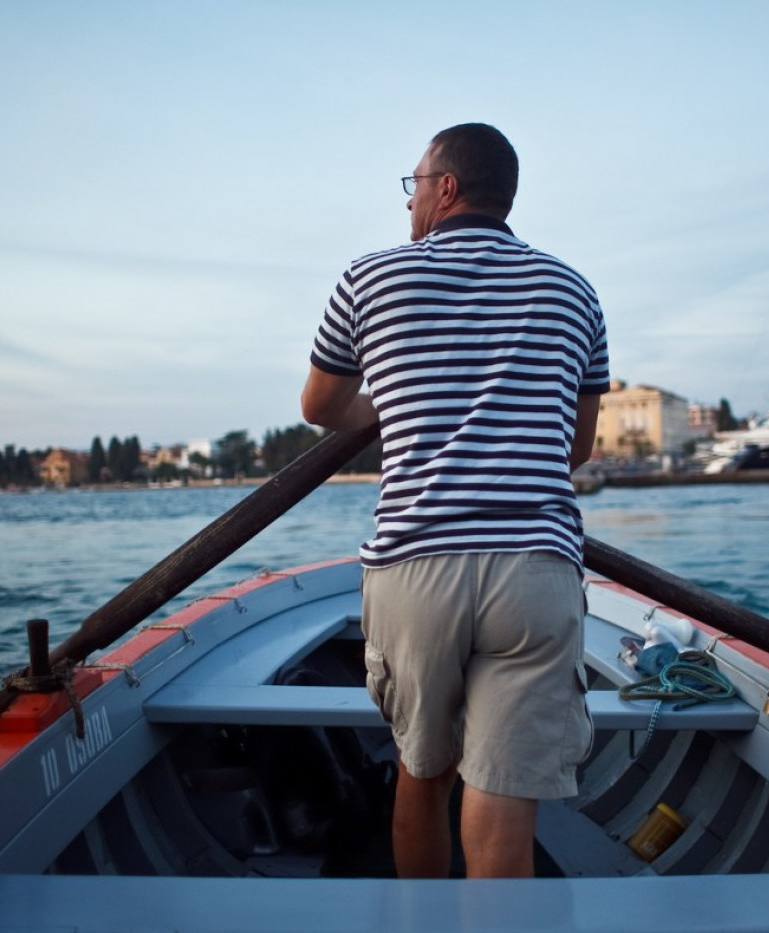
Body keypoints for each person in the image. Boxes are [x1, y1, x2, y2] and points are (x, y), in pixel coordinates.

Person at [301, 123, 610, 879]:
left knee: (424, 772)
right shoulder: (574, 289)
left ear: (445, 188)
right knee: (503, 797)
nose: (409, 204)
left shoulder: (368, 277)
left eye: (414, 186)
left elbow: (322, 406)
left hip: (416, 565)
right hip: (534, 568)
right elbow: (576, 449)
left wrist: (408, 401)